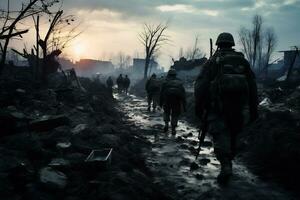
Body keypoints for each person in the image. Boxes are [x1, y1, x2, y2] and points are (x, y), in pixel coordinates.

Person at [194, 32, 258, 184]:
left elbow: (201, 86)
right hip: (238, 108)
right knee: (234, 135)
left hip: (218, 108)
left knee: (220, 136)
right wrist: (253, 109)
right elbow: (253, 86)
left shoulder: (212, 62)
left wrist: (198, 107)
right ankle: (230, 160)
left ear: (218, 44)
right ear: (232, 44)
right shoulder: (243, 62)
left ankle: (225, 165)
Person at [160, 69, 186, 135]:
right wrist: (184, 105)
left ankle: (166, 125)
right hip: (176, 100)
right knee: (175, 114)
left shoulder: (165, 81)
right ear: (175, 75)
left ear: (168, 74)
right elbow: (183, 94)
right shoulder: (179, 82)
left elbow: (161, 93)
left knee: (166, 112)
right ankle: (173, 129)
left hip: (167, 100)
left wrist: (160, 102)